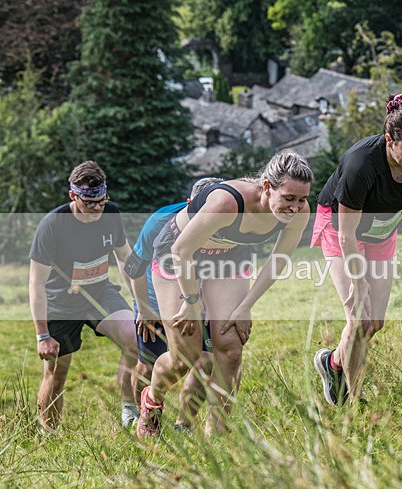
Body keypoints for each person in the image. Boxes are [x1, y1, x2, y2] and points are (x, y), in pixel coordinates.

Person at [136, 152, 313, 438]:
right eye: (289, 198)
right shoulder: (227, 203)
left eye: (302, 199)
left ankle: (217, 435)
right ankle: (152, 400)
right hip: (179, 253)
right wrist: (192, 302)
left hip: (228, 257)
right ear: (267, 187)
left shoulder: (299, 212)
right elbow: (181, 251)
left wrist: (245, 306)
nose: (295, 207)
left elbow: (278, 261)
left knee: (230, 347)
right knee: (185, 356)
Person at [312, 94, 402, 405]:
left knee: (375, 323)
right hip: (342, 230)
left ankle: (333, 363)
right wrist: (359, 283)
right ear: (389, 140)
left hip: (382, 230)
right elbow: (347, 233)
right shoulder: (361, 164)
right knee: (359, 320)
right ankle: (353, 402)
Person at [29, 160, 139, 431]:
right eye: (90, 203)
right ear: (73, 196)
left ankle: (129, 412)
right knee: (56, 374)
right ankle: (49, 433)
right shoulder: (52, 224)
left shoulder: (111, 213)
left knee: (135, 340)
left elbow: (125, 258)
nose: (98, 208)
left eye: (102, 201)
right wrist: (43, 335)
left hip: (100, 293)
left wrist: (141, 304)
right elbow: (36, 283)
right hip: (62, 303)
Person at [124, 177, 221, 431]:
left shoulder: (226, 220)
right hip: (154, 298)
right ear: (189, 204)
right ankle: (141, 415)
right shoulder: (160, 221)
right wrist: (143, 308)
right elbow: (134, 267)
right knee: (149, 364)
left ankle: (183, 425)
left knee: (206, 361)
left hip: (197, 297)